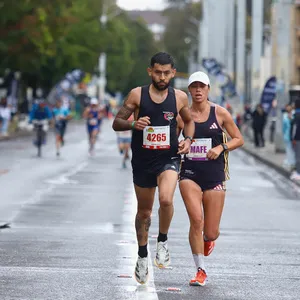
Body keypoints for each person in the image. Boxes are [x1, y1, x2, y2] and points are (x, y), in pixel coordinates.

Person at [112, 52, 195, 285]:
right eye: (157, 72)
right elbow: (116, 122)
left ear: (173, 73)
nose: (162, 77)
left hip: (168, 157)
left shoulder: (179, 97)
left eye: (166, 73)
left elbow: (188, 121)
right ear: (150, 71)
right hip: (143, 161)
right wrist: (132, 123)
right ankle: (141, 256)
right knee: (145, 212)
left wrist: (188, 141)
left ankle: (163, 241)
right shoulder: (137, 95)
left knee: (167, 200)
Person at [177, 71, 244, 286]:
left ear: (208, 89)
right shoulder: (183, 115)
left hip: (214, 175)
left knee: (211, 232)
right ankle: (200, 269)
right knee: (196, 220)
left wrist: (221, 147)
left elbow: (238, 139)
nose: (198, 90)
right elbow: (171, 139)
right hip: (189, 174)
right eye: (194, 86)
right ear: (189, 89)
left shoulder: (220, 113)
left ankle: (207, 240)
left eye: (202, 86)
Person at [282, 104, 296, 171]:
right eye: (287, 107)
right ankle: (290, 162)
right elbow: (284, 127)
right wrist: (284, 133)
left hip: (293, 135)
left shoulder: (294, 114)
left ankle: (293, 162)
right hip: (287, 135)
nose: (288, 108)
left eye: (289, 107)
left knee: (293, 150)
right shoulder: (284, 115)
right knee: (288, 149)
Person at [290, 98, 300, 181]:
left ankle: (298, 173)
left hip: (297, 138)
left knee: (297, 156)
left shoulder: (296, 114)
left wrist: (293, 138)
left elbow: (295, 128)